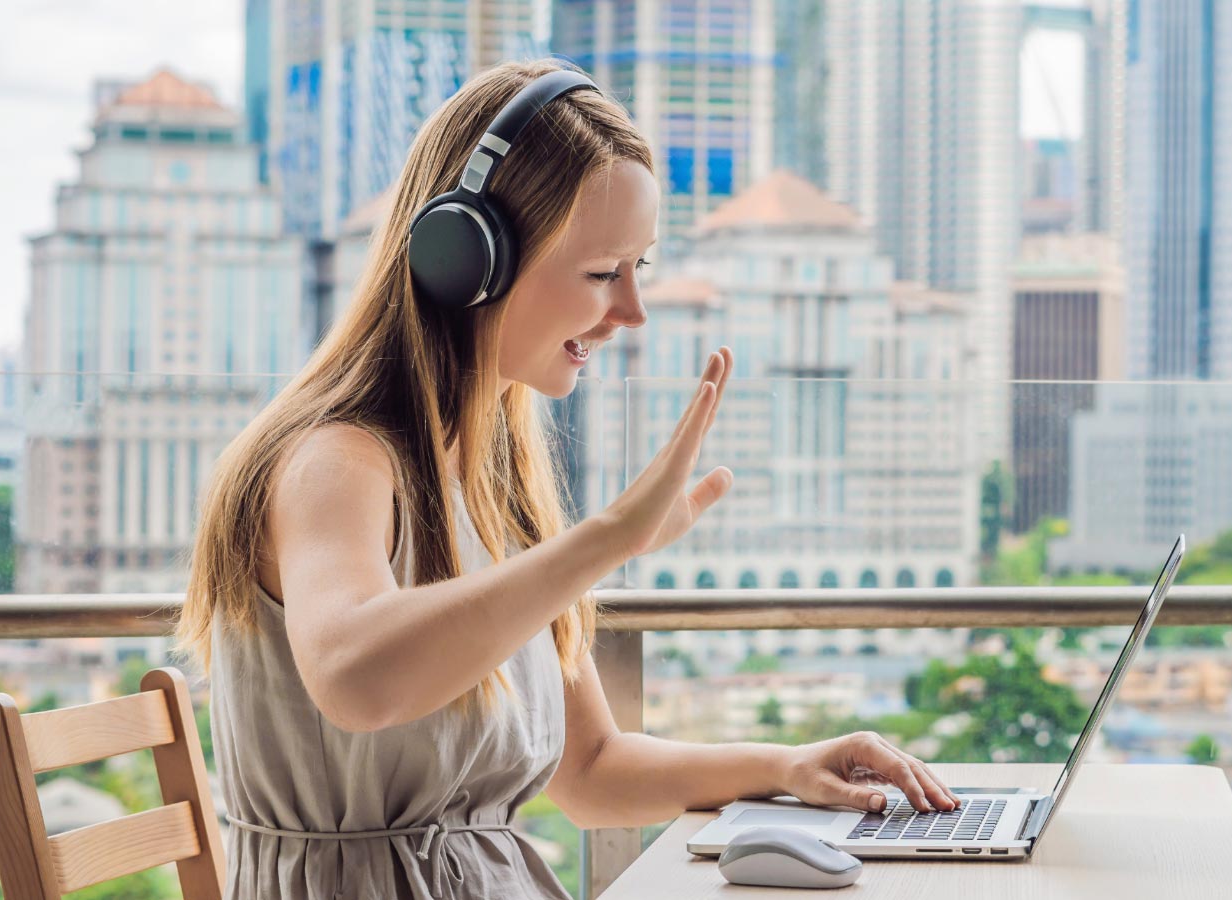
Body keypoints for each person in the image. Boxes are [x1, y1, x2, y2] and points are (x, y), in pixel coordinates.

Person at [172, 59, 955, 900]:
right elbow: (356, 679)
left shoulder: (494, 486)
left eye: (640, 268)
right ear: (464, 259)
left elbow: (591, 770)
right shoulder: (333, 459)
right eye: (601, 273)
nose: (631, 312)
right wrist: (608, 540)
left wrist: (788, 767)